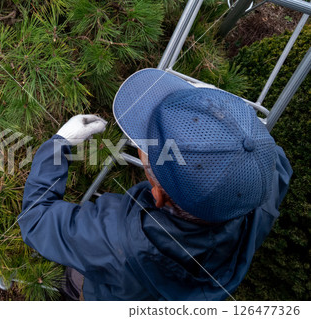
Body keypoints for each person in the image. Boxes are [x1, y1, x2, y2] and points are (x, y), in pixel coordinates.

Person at [18, 68, 293, 300]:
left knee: (78, 279)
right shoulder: (266, 186)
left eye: (146, 144)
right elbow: (264, 150)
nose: (141, 142)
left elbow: (35, 219)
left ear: (158, 196)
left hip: (111, 293)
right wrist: (221, 114)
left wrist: (57, 146)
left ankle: (69, 289)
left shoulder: (117, 239)